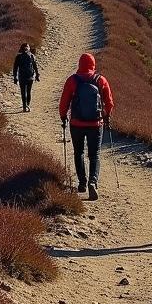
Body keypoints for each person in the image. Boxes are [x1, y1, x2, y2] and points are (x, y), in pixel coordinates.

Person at [59, 52, 114, 199]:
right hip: (95, 123)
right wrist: (106, 116)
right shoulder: (101, 80)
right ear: (93, 64)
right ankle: (93, 182)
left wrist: (63, 116)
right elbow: (109, 103)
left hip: (76, 123)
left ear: (80, 64)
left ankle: (82, 182)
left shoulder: (72, 80)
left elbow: (64, 102)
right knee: (94, 154)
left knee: (79, 152)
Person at [12, 42, 40, 112]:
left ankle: (24, 107)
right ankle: (28, 105)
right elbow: (35, 66)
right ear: (28, 48)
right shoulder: (32, 56)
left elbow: (15, 68)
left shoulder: (18, 57)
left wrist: (15, 77)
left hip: (22, 77)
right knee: (29, 91)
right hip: (30, 77)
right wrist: (37, 75)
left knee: (23, 92)